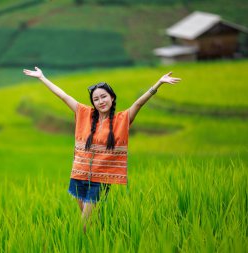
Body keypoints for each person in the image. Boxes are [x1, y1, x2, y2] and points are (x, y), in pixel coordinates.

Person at [23, 67, 181, 232]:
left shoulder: (122, 119)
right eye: (96, 99)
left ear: (112, 98)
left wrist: (158, 84)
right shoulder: (84, 114)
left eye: (104, 96)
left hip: (100, 180)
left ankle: (88, 242)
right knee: (91, 222)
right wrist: (42, 77)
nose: (101, 101)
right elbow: (63, 96)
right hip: (79, 175)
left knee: (84, 225)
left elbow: (139, 103)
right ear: (93, 103)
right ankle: (99, 240)